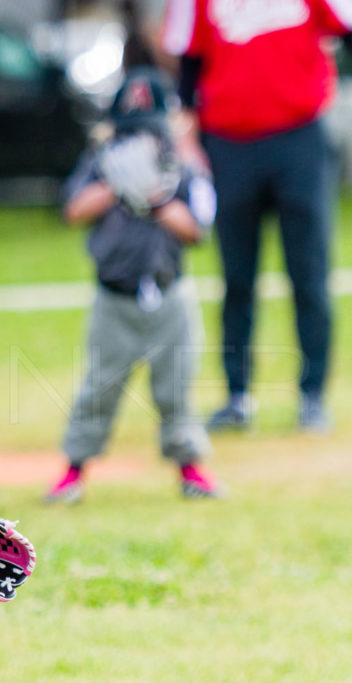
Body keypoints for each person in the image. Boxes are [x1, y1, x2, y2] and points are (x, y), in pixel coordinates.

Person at [161, 0, 349, 432]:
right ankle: (237, 396)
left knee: (309, 272)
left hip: (300, 135)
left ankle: (313, 395)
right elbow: (188, 63)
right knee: (237, 278)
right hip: (228, 141)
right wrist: (186, 136)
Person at [45, 68, 222, 504]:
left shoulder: (184, 167)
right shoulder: (101, 161)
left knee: (176, 386)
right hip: (115, 296)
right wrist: (114, 184)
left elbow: (196, 229)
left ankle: (191, 469)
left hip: (169, 294)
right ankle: (74, 471)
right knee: (99, 387)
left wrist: (155, 196)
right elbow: (73, 211)